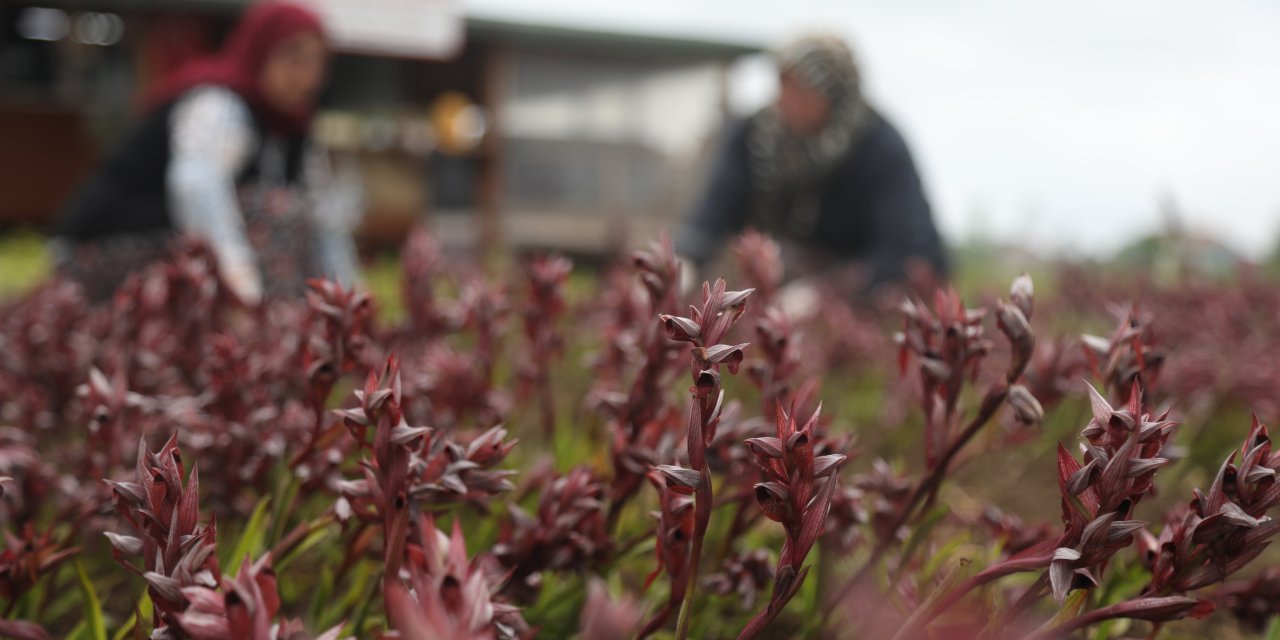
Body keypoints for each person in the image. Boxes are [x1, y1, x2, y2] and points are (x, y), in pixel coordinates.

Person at [53, 1, 360, 303]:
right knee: (271, 212)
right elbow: (197, 192)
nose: (307, 77)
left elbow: (326, 221)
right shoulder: (219, 105)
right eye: (293, 59)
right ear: (260, 52)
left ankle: (287, 331)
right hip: (100, 251)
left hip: (179, 252)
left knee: (294, 211)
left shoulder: (293, 130)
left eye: (317, 63)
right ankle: (258, 326)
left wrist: (348, 302)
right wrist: (243, 293)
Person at [676, 34, 947, 304]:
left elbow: (901, 252)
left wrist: (822, 294)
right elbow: (713, 211)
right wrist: (684, 261)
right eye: (782, 84)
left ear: (833, 94)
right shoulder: (754, 136)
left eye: (801, 89)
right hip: (791, 285)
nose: (784, 99)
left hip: (875, 296)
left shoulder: (880, 148)